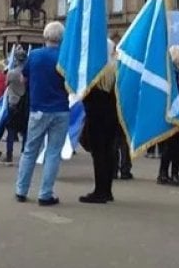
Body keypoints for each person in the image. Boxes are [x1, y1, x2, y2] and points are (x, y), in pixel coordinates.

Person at [15, 21, 70, 206]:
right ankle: (45, 194)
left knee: (30, 150)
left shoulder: (35, 55)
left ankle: (21, 190)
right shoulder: (66, 56)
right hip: (60, 109)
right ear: (62, 38)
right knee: (53, 153)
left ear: (45, 36)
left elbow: (23, 78)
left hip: (38, 109)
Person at [79, 39, 118, 204]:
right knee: (109, 152)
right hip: (113, 116)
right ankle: (107, 190)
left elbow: (85, 94)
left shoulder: (96, 70)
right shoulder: (116, 68)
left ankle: (99, 191)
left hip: (96, 116)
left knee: (99, 154)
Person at [157, 45, 179, 186]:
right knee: (170, 145)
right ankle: (164, 173)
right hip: (172, 113)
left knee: (176, 146)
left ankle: (174, 172)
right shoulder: (170, 72)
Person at [1, 48, 28, 166]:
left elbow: (6, 84)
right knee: (26, 130)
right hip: (25, 103)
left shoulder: (11, 73)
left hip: (13, 102)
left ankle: (9, 155)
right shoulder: (28, 72)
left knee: (11, 130)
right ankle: (24, 154)